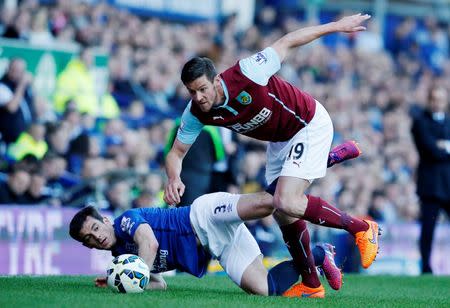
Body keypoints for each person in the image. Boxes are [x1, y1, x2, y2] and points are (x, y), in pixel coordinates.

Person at [164, 13, 380, 294]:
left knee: (286, 199)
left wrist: (336, 27)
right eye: (192, 92)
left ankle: (361, 228)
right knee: (281, 211)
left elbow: (288, 41)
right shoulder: (195, 112)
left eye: (202, 89)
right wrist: (172, 178)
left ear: (216, 81)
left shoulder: (246, 73)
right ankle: (312, 284)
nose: (199, 98)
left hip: (307, 123)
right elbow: (175, 153)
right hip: (279, 141)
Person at [69, 191, 342, 297]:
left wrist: (132, 273)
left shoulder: (125, 221)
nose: (96, 237)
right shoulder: (121, 257)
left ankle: (303, 179)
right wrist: (122, 279)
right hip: (219, 245)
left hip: (203, 215)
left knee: (271, 204)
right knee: (265, 290)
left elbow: (149, 244)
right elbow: (159, 283)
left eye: (95, 228)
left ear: (105, 219)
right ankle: (321, 254)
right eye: (89, 240)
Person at [411, 84, 450, 274]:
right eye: (434, 99)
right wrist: (441, 147)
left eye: (441, 99)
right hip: (431, 186)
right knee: (428, 229)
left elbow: (436, 149)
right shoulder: (420, 122)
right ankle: (426, 267)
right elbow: (430, 150)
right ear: (429, 100)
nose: (438, 103)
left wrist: (442, 146)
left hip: (448, 183)